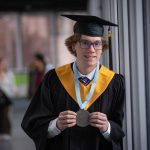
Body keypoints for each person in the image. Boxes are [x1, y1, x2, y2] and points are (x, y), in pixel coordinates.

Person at [21, 14, 125, 150]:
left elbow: (120, 127)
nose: (91, 49)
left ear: (102, 47)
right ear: (73, 45)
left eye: (97, 43)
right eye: (85, 43)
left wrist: (107, 127)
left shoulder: (115, 83)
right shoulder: (54, 79)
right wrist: (56, 125)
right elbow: (33, 123)